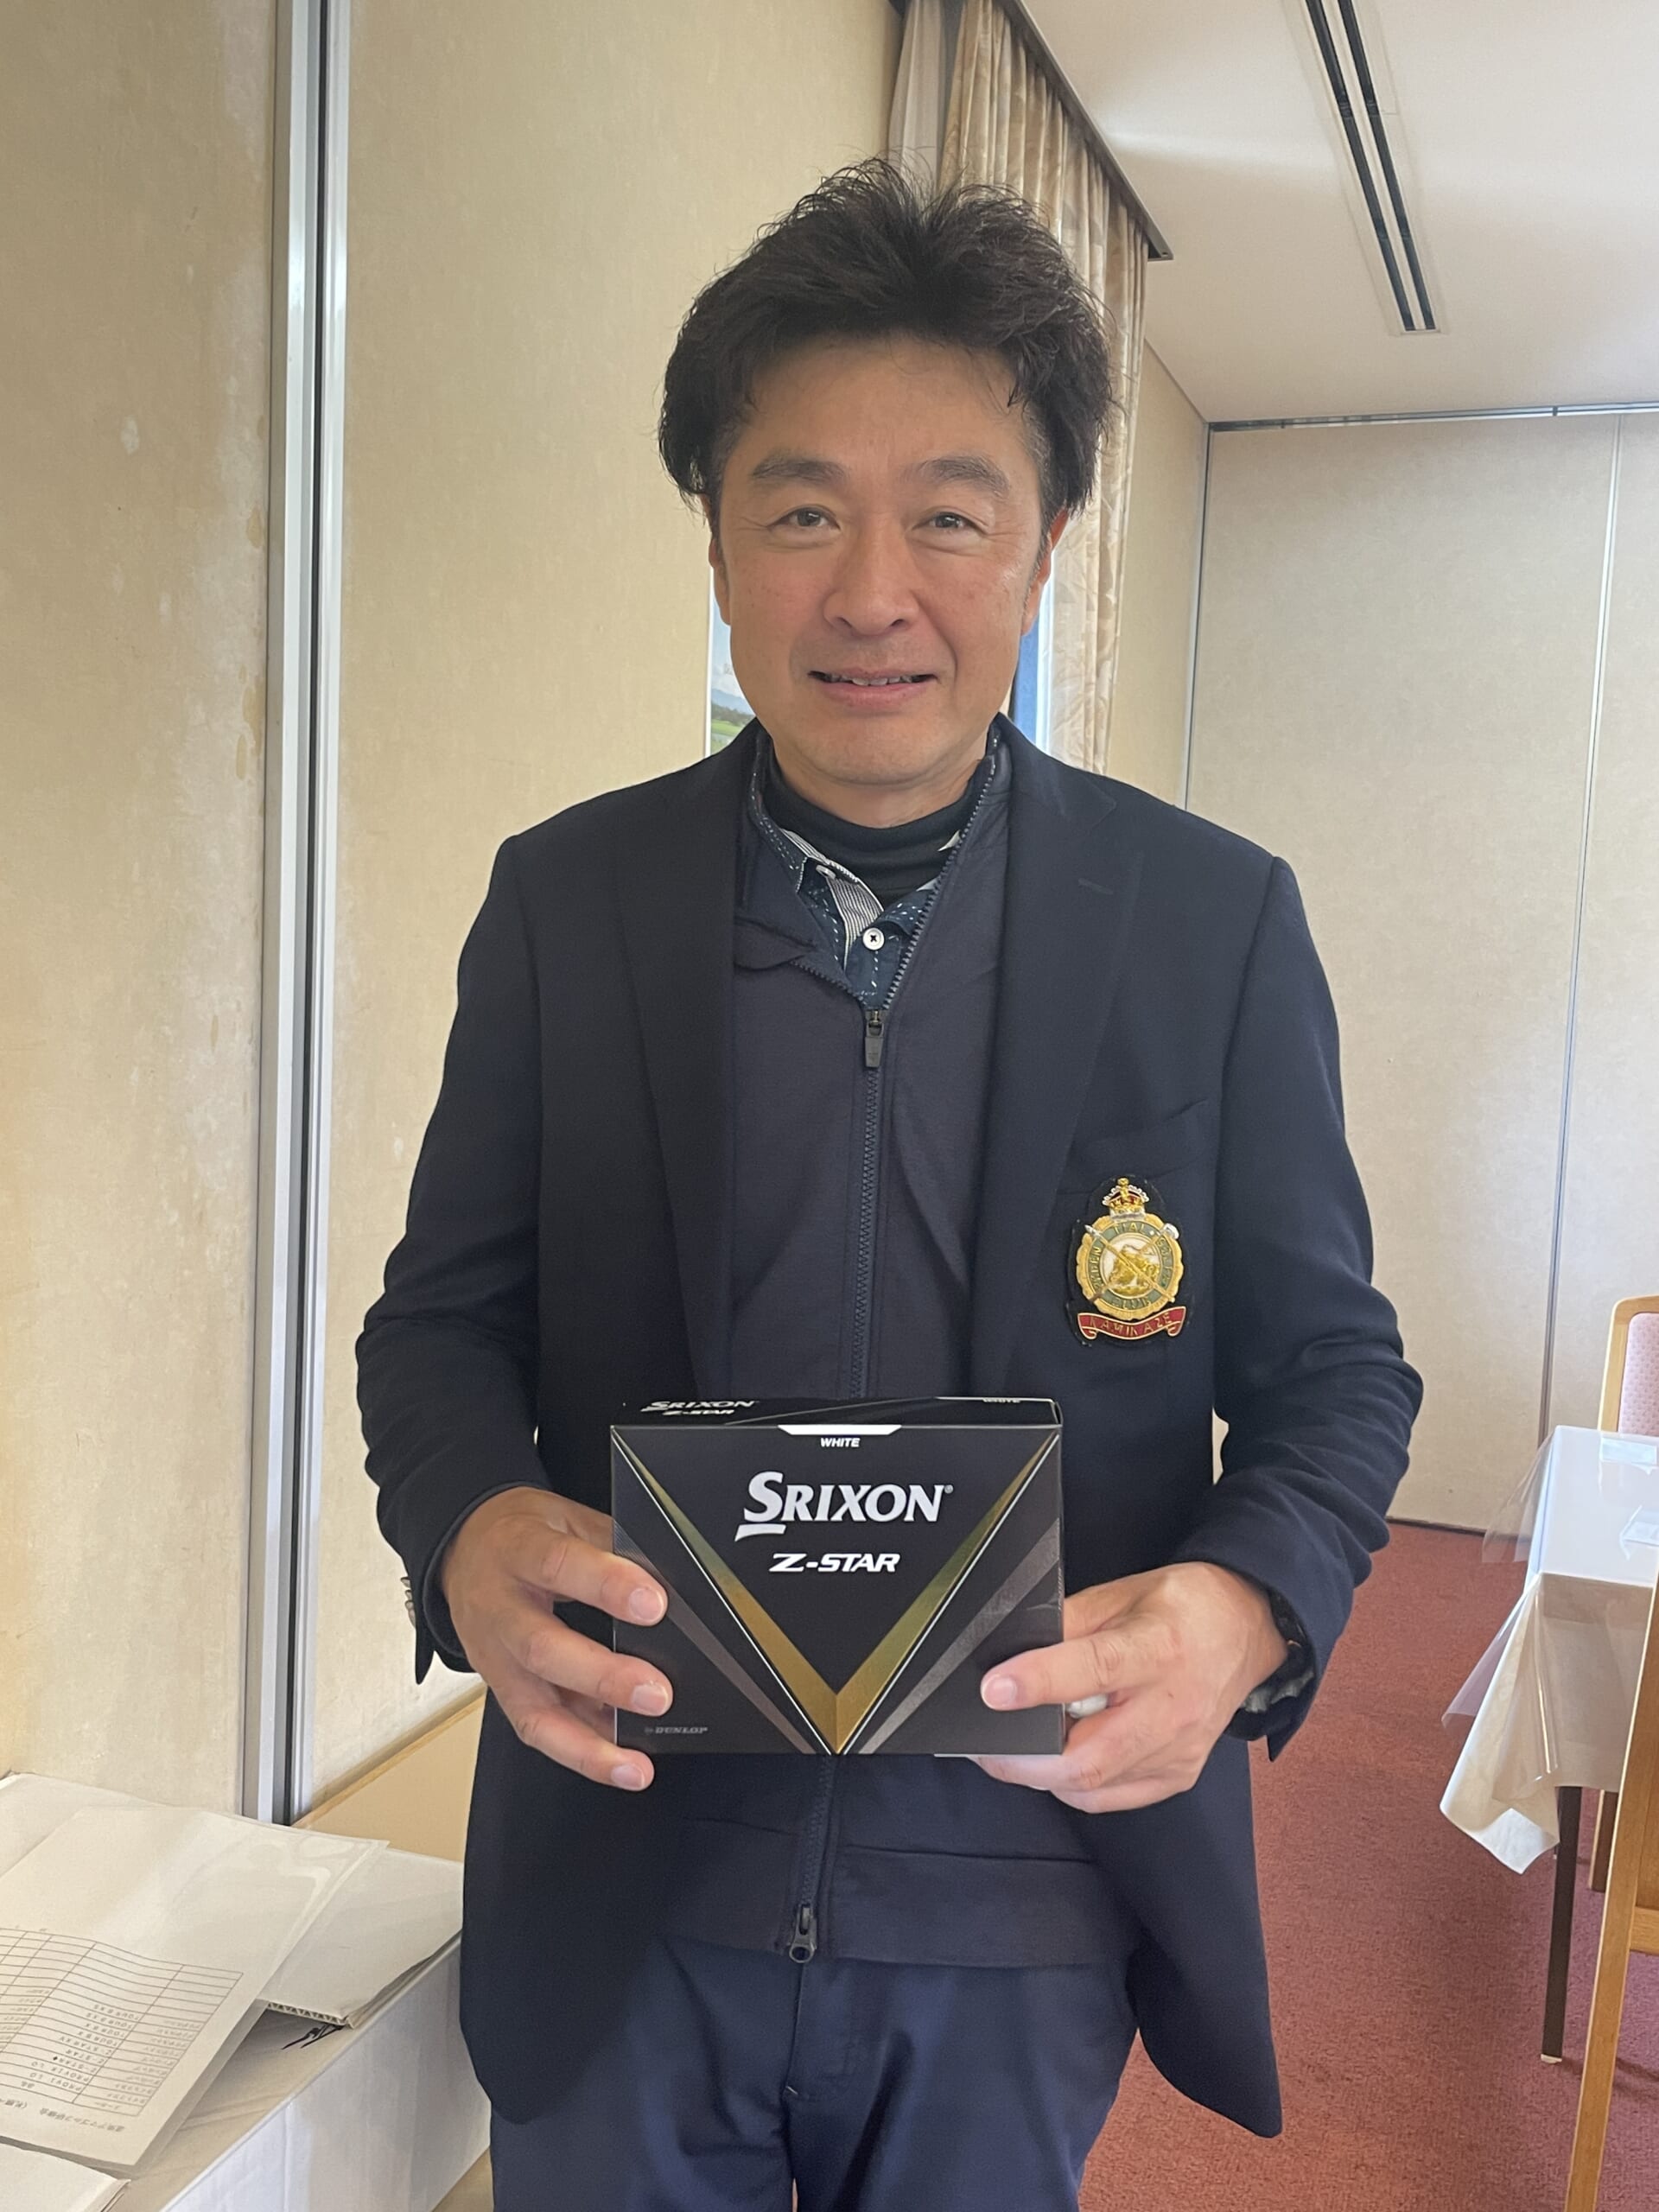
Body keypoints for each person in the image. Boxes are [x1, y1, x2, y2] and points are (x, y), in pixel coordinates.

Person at [359, 163, 1421, 2212]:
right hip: (631, 1871)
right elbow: (441, 1323)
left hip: (1018, 1892)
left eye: (947, 513)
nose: (870, 591)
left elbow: (1335, 1377)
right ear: (716, 539)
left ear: (1040, 548)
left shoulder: (1207, 923)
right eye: (799, 510)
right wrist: (469, 1523)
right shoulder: (569, 902)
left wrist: (1245, 1606)